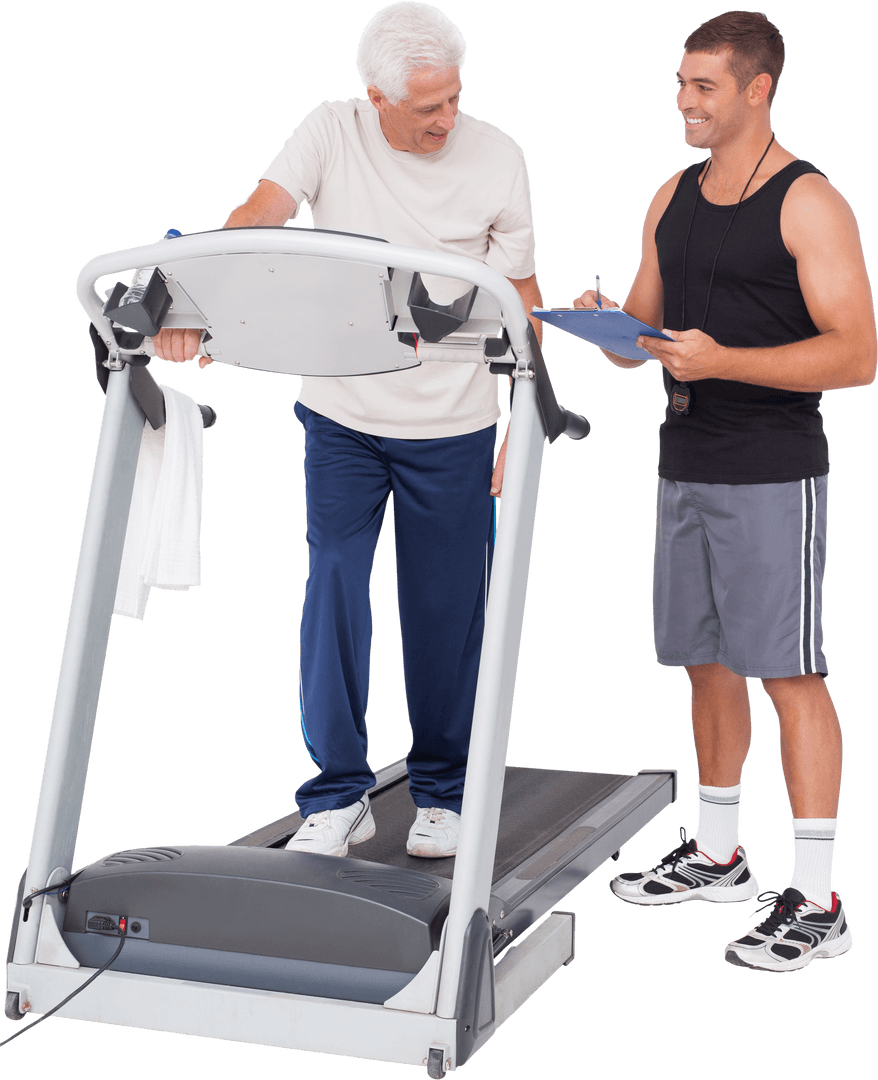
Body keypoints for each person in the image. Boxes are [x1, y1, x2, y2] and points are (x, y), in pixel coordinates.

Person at [154, 2, 542, 859]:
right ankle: (338, 795)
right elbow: (258, 212)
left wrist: (528, 422)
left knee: (445, 612)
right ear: (375, 95)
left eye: (454, 98)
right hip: (343, 418)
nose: (447, 118)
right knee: (332, 581)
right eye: (427, 107)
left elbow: (521, 296)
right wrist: (194, 301)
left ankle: (442, 790)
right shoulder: (331, 131)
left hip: (456, 426)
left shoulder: (499, 155)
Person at [574, 11, 875, 972]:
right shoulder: (673, 193)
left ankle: (820, 898)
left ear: (757, 89)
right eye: (678, 85)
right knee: (704, 663)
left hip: (774, 470)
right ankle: (718, 854)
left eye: (702, 86)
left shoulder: (810, 200)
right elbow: (647, 332)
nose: (683, 103)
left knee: (788, 673)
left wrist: (727, 359)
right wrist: (609, 328)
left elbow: (859, 355)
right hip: (683, 463)